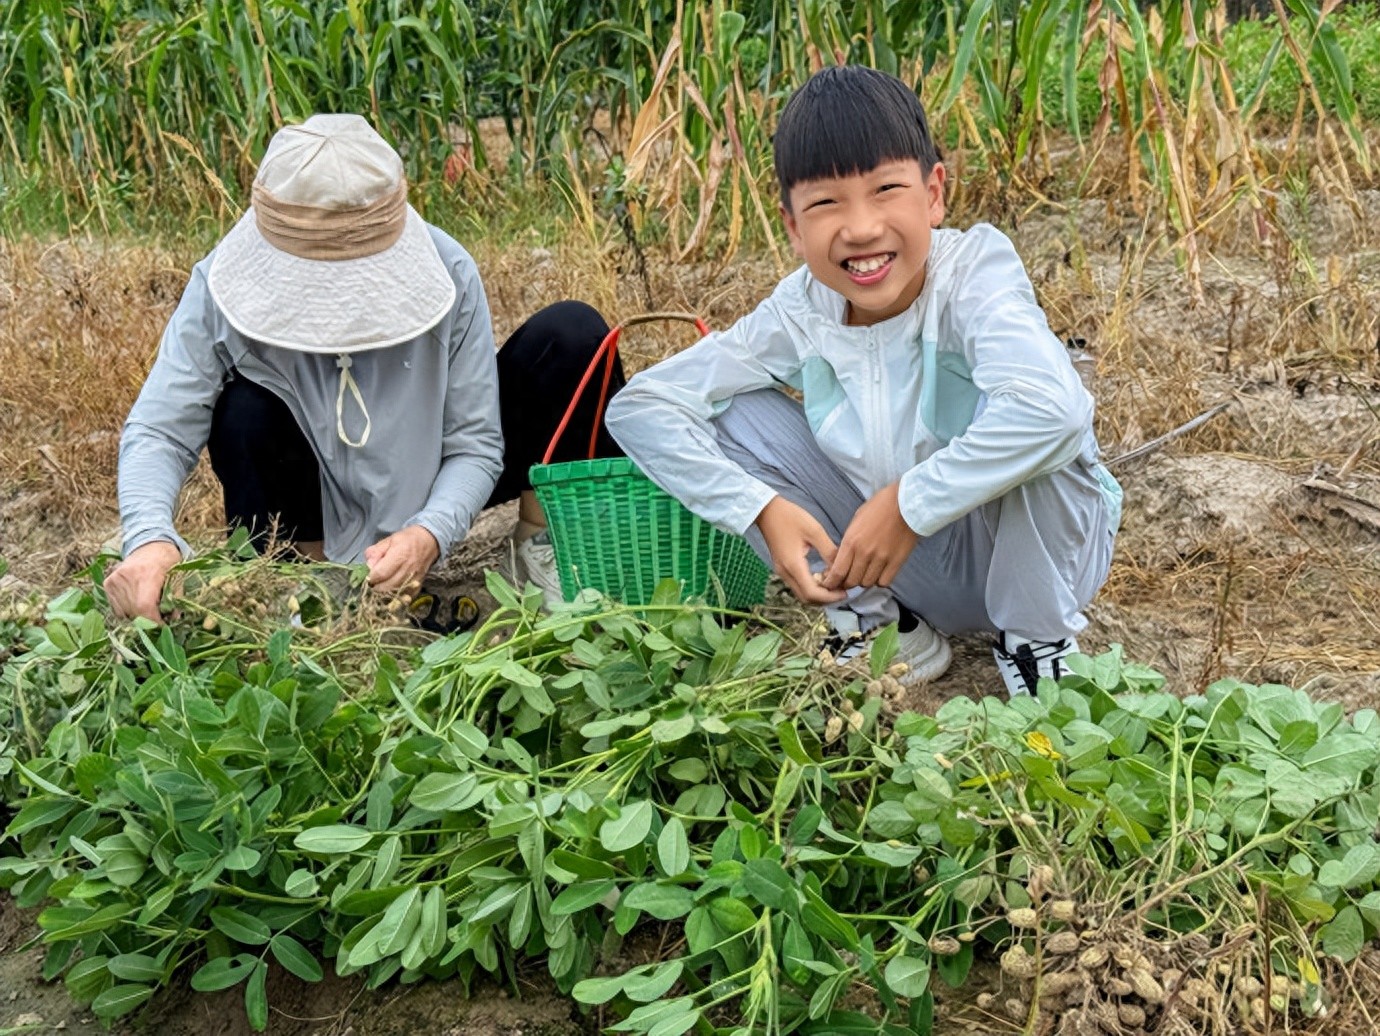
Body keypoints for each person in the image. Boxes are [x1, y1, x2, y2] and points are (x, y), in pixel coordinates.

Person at [604, 66, 1122, 697]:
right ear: (794, 227)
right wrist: (758, 510)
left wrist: (909, 503)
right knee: (725, 409)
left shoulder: (973, 275)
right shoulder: (798, 312)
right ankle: (882, 626)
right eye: (825, 203)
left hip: (1033, 560)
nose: (861, 227)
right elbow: (639, 407)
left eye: (886, 190)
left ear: (933, 193)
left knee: (1041, 419)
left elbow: (1055, 411)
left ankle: (1037, 642)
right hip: (899, 565)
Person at [107, 114, 620, 622]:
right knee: (245, 410)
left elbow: (475, 443)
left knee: (571, 337)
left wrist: (430, 532)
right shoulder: (218, 287)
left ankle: (542, 547)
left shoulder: (450, 269)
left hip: (427, 463)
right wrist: (150, 538)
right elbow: (159, 428)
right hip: (307, 487)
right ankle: (308, 590)